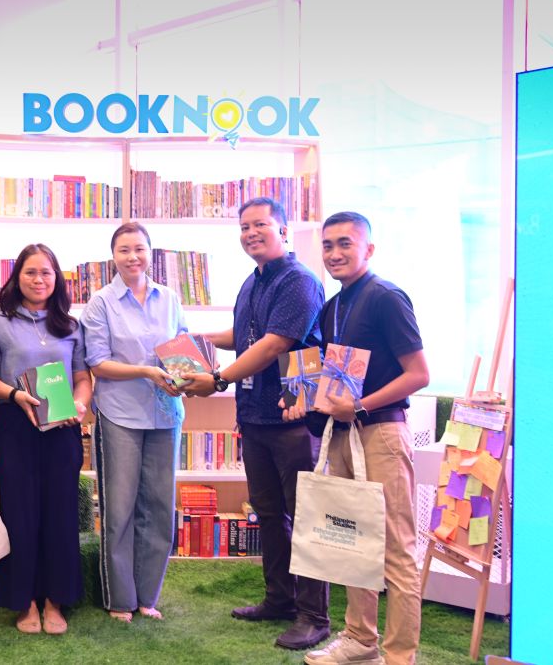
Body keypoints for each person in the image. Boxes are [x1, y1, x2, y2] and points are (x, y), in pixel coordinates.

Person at [184, 197, 330, 650]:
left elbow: (273, 345)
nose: (250, 233)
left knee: (305, 516)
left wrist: (217, 379)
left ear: (283, 230)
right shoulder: (253, 281)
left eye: (260, 224)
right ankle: (279, 600)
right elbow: (244, 336)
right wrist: (194, 340)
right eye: (244, 226)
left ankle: (314, 616)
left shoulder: (299, 281)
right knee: (268, 514)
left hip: (293, 414)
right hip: (255, 415)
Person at [288, 212, 429, 665]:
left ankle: (399, 656)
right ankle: (359, 640)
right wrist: (301, 397)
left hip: (381, 432)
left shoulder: (387, 297)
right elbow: (333, 376)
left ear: (369, 248)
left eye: (345, 243)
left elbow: (418, 374)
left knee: (395, 549)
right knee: (350, 541)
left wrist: (360, 406)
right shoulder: (334, 306)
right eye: (327, 245)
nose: (334, 253)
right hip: (343, 434)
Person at [0, 243, 91, 635]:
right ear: (17, 277)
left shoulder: (71, 325)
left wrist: (79, 404)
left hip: (61, 426)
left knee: (60, 513)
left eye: (46, 272)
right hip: (14, 426)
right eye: (30, 272)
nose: (39, 279)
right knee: (19, 514)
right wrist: (13, 394)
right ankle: (23, 601)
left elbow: (82, 377)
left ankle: (56, 600)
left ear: (57, 279)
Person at [80, 222, 185, 623]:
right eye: (124, 250)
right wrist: (146, 371)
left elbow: (182, 348)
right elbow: (97, 363)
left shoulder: (169, 298)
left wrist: (187, 375)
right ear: (113, 256)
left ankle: (147, 597)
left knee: (158, 507)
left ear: (150, 252)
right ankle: (120, 598)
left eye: (139, 248)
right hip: (120, 414)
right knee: (120, 508)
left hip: (165, 413)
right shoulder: (101, 303)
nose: (132, 257)